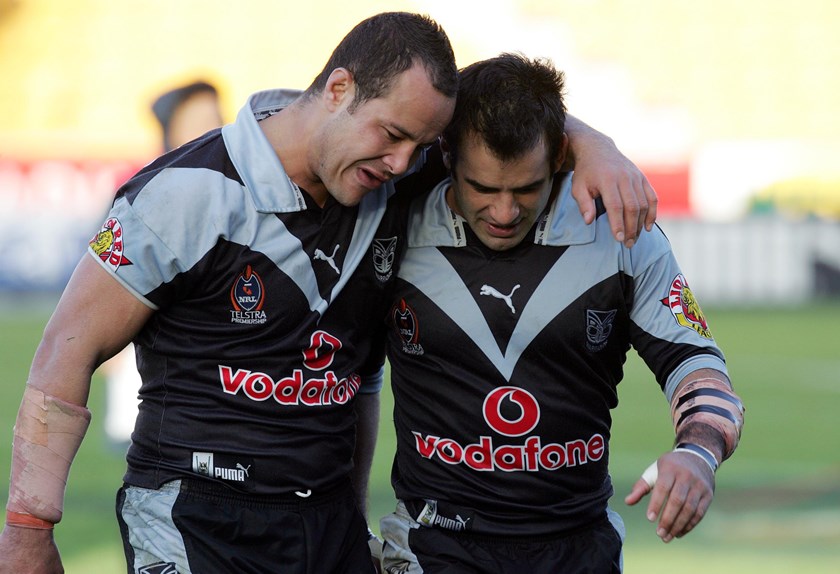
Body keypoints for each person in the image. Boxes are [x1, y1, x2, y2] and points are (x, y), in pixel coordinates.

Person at [0, 12, 655, 574]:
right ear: (339, 89)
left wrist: (591, 143)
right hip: (195, 518)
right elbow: (65, 350)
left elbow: (507, 110)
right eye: (392, 136)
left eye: (421, 145)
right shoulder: (182, 193)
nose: (404, 163)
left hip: (329, 528)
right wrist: (28, 528)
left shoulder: (389, 182)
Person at [378, 53, 744, 573]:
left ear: (559, 159)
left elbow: (697, 366)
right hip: (433, 545)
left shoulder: (619, 233)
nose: (504, 212)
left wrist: (697, 454)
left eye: (526, 188)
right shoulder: (390, 226)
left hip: (579, 547)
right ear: (446, 156)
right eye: (483, 187)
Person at [103, 79, 227, 450]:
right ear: (171, 129)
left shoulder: (237, 187)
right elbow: (106, 266)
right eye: (198, 120)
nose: (211, 127)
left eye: (215, 117)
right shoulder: (142, 190)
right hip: (149, 340)